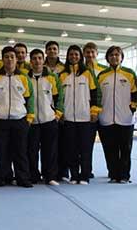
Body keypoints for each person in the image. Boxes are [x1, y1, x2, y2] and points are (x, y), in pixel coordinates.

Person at [0, 46, 34, 188]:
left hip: (20, 120)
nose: (9, 59)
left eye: (12, 57)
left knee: (20, 152)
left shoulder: (24, 78)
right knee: (0, 152)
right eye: (6, 57)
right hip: (0, 121)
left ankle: (23, 179)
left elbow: (30, 99)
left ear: (16, 59)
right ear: (3, 59)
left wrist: (29, 117)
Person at [97, 46, 137, 184]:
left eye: (117, 55)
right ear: (107, 58)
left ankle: (124, 175)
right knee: (110, 148)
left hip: (125, 118)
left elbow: (136, 93)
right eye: (111, 55)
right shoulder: (102, 75)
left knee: (125, 149)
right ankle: (113, 174)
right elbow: (97, 96)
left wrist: (131, 108)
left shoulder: (130, 74)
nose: (114, 57)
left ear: (121, 57)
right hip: (106, 118)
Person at [59, 45, 100, 185]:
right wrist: (60, 113)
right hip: (68, 118)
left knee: (85, 148)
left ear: (80, 57)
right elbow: (58, 97)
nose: (74, 57)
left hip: (85, 118)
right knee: (71, 148)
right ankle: (74, 174)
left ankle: (85, 175)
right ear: (68, 57)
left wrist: (94, 111)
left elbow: (95, 94)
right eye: (71, 54)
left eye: (76, 54)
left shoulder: (88, 73)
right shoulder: (62, 75)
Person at [27, 49, 63, 186]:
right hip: (32, 121)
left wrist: (57, 114)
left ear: (43, 60)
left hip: (49, 119)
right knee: (32, 151)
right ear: (30, 61)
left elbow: (59, 97)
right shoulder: (26, 78)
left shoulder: (52, 78)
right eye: (34, 58)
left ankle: (50, 176)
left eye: (39, 58)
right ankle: (33, 175)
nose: (37, 61)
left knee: (50, 150)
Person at [83, 42, 108, 179]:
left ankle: (113, 170)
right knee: (87, 145)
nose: (90, 55)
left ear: (97, 54)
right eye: (87, 52)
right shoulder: (80, 71)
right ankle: (87, 170)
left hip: (105, 113)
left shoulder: (105, 71)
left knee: (108, 144)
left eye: (93, 52)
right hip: (87, 114)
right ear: (84, 54)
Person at [44, 41, 67, 180]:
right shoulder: (40, 65)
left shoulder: (64, 68)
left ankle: (63, 172)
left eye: (54, 49)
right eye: (50, 49)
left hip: (60, 112)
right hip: (45, 113)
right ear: (46, 51)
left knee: (62, 144)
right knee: (48, 147)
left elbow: (61, 94)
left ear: (58, 51)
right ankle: (46, 172)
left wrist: (60, 111)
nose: (52, 51)